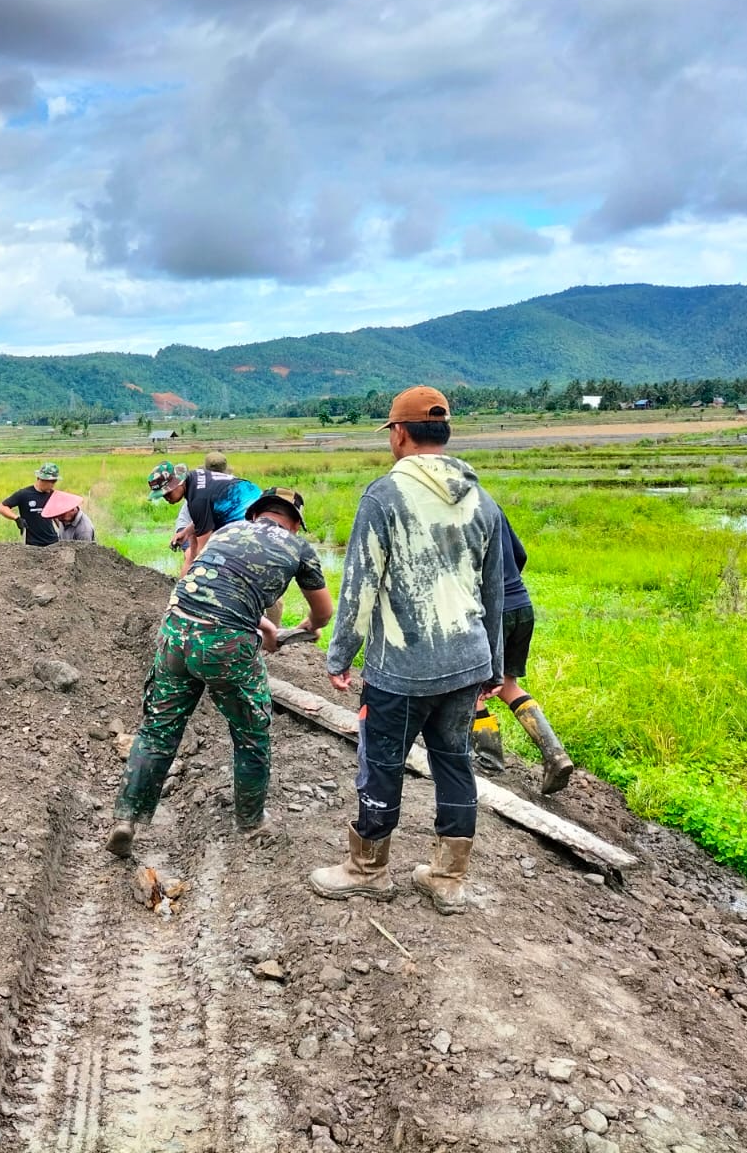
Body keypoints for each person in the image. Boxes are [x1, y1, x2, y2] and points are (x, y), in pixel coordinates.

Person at [309, 386, 503, 916]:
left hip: (403, 664)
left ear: (398, 433)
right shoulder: (481, 498)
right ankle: (448, 878)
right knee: (455, 761)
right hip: (468, 659)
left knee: (382, 762)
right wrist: (496, 666)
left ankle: (367, 869)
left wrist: (340, 655)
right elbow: (495, 590)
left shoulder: (384, 497)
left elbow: (359, 586)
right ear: (444, 433)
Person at [107, 488, 334, 857]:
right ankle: (252, 822)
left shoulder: (228, 532)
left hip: (176, 632)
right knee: (251, 733)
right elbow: (323, 612)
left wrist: (266, 629)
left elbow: (214, 591)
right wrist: (309, 626)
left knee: (157, 732)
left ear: (256, 513)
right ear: (294, 523)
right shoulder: (299, 548)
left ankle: (126, 819)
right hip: (226, 646)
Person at [469, 507, 574, 794]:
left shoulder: (458, 509)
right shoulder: (491, 505)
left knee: (473, 683)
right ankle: (555, 753)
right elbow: (520, 554)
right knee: (506, 683)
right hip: (521, 604)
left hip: (493, 610)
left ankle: (488, 761)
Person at [147, 460, 261, 571]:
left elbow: (202, 550)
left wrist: (196, 570)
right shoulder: (194, 479)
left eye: (168, 493)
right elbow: (203, 518)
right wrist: (186, 532)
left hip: (249, 515)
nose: (167, 498)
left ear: (179, 482)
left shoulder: (198, 499)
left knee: (215, 561)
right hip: (252, 499)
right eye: (163, 496)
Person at [0, 463, 62, 546]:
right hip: (32, 545)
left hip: (53, 542)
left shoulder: (52, 494)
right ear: (41, 479)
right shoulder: (24, 494)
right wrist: (16, 518)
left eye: (55, 481)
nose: (53, 485)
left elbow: (56, 516)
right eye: (52, 482)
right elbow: (2, 507)